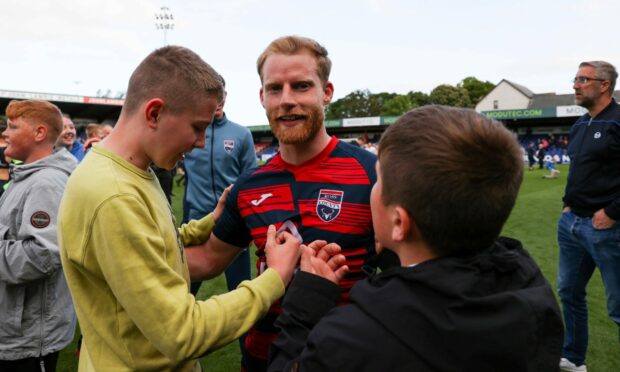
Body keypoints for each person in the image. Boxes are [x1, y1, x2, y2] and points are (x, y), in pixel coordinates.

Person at [58, 45, 301, 372]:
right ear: (154, 113)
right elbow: (181, 333)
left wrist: (209, 222)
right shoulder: (113, 195)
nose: (201, 141)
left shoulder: (135, 170)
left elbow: (154, 242)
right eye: (197, 127)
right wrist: (275, 277)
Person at [268, 105, 564, 372]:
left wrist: (305, 306)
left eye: (380, 178)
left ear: (399, 222)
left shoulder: (356, 336)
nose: (373, 188)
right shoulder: (532, 289)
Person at [186, 35, 390, 372]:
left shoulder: (371, 175)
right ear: (262, 97)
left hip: (352, 357)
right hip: (265, 358)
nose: (287, 100)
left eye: (301, 86)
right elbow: (207, 260)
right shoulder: (249, 186)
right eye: (275, 88)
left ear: (327, 92)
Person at [0, 99, 78, 372]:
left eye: (12, 126)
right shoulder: (28, 176)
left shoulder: (46, 183)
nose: (5, 133)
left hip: (31, 339)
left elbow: (42, 255)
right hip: (18, 330)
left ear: (39, 133)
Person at [557, 61, 620, 372]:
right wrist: (567, 206)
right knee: (569, 292)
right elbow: (579, 174)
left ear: (604, 85)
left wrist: (612, 212)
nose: (576, 85)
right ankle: (573, 358)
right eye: (576, 79)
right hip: (572, 225)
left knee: (618, 306)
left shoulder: (619, 122)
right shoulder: (579, 125)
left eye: (583, 79)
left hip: (608, 229)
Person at [183, 73, 257, 296]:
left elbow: (251, 181)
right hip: (197, 220)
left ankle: (246, 333)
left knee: (240, 288)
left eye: (220, 94)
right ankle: (175, 331)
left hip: (233, 220)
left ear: (226, 96)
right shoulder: (188, 132)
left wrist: (249, 223)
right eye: (210, 94)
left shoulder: (241, 134)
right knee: (182, 289)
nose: (217, 100)